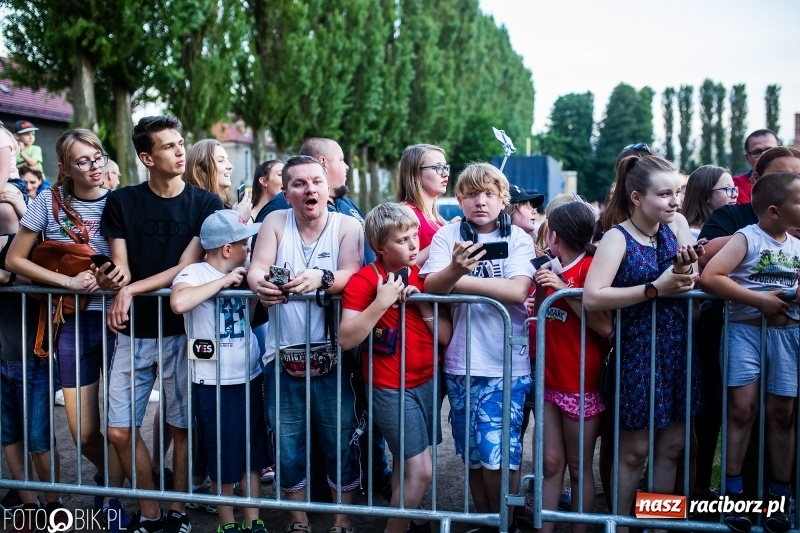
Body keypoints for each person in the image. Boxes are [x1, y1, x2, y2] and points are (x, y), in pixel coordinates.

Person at [100, 115, 224, 533]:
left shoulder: (206, 204)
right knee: (118, 430)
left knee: (180, 428)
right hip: (133, 333)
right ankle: (150, 511)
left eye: (180, 143)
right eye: (168, 146)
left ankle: (178, 513)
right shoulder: (121, 201)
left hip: (183, 332)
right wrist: (115, 280)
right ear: (145, 157)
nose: (179, 151)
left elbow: (184, 266)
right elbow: (120, 264)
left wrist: (131, 290)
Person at [5, 128, 130, 528]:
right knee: (83, 430)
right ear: (64, 168)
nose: (94, 167)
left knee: (120, 427)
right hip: (72, 321)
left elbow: (135, 266)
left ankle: (112, 495)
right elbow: (15, 260)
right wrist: (68, 283)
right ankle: (120, 480)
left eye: (98, 157)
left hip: (118, 321)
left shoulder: (121, 202)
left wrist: (119, 283)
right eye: (82, 161)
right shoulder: (47, 201)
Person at [583, 154, 702, 533]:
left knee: (671, 448)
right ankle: (620, 526)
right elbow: (592, 297)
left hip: (679, 349)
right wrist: (654, 289)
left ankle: (657, 526)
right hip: (638, 350)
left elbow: (690, 279)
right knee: (635, 451)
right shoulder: (617, 237)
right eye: (664, 194)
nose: (675, 202)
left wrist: (685, 274)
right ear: (636, 197)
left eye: (677, 193)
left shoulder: (679, 224)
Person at [247, 155, 364, 533]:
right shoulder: (275, 221)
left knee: (340, 440)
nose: (309, 189)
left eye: (316, 181)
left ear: (327, 188)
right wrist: (261, 285)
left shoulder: (348, 225)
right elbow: (257, 268)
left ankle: (342, 521)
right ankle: (299, 521)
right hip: (281, 354)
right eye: (299, 183)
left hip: (335, 353)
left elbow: (351, 275)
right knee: (286, 443)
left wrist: (321, 277)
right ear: (286, 192)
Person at [421, 162, 535, 533]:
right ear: (460, 199)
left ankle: (506, 523)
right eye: (471, 194)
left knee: (498, 456)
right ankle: (489, 523)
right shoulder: (448, 234)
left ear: (503, 199)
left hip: (507, 364)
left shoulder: (518, 238)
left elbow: (518, 290)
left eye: (489, 194)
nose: (480, 201)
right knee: (471, 454)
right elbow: (432, 288)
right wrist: (452, 274)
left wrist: (459, 277)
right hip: (461, 362)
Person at [339, 202, 453, 533]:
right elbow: (346, 338)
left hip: (428, 381)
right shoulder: (363, 281)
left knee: (407, 465)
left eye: (415, 235)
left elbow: (444, 335)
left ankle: (409, 523)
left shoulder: (427, 274)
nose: (414, 244)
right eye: (403, 240)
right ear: (380, 247)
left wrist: (424, 304)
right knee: (421, 470)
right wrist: (382, 300)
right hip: (389, 387)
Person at [700, 172, 800, 533]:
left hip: (786, 336)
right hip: (744, 333)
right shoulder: (746, 237)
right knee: (741, 410)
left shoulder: (797, 246)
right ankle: (733, 498)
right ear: (774, 211)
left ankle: (778, 502)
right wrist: (759, 301)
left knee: (782, 414)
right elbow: (712, 276)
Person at [170, 209, 267, 533]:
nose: (250, 249)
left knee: (252, 457)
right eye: (245, 243)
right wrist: (223, 281)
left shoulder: (246, 271)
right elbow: (179, 303)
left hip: (249, 376)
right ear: (227, 248)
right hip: (213, 383)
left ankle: (253, 521)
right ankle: (227, 524)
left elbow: (251, 313)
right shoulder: (194, 273)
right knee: (223, 458)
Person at [535, 201, 612, 533]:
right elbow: (540, 320)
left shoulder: (593, 267)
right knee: (551, 465)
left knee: (580, 469)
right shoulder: (547, 267)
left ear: (554, 235)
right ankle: (544, 528)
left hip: (583, 385)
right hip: (550, 382)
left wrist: (563, 290)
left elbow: (605, 326)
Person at [0, 248, 72, 532]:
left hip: (32, 355)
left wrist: (7, 277)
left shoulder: (27, 240)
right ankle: (30, 505)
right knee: (9, 437)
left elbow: (48, 285)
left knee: (40, 439)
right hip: (4, 355)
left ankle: (53, 505)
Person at [396, 144, 449, 265]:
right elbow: (401, 266)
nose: (446, 173)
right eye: (438, 167)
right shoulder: (406, 212)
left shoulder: (437, 217)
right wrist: (446, 238)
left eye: (446, 167)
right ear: (415, 174)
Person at [184, 139, 251, 220]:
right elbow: (221, 232)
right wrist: (239, 218)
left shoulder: (224, 205)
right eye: (221, 160)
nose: (230, 166)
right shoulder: (198, 210)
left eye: (228, 160)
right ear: (202, 169)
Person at [681, 165, 738, 239]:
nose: (735, 194)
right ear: (706, 194)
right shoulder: (692, 235)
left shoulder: (735, 227)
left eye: (734, 189)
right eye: (728, 189)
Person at [732, 129, 780, 205]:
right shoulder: (736, 185)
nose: (764, 156)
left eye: (770, 150)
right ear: (747, 158)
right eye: (757, 152)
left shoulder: (795, 180)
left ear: (781, 152)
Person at [0, 121, 24, 235]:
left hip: (9, 181)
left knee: (5, 210)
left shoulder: (1, 137)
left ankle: (11, 247)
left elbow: (3, 173)